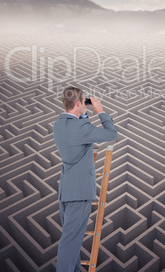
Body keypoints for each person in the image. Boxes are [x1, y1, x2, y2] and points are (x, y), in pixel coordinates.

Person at [53, 86, 117, 272]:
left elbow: (83, 131)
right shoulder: (82, 128)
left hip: (66, 191)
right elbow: (112, 135)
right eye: (83, 103)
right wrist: (100, 110)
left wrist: (83, 113)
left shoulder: (59, 124)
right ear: (80, 103)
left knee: (71, 241)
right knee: (69, 242)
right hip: (80, 193)